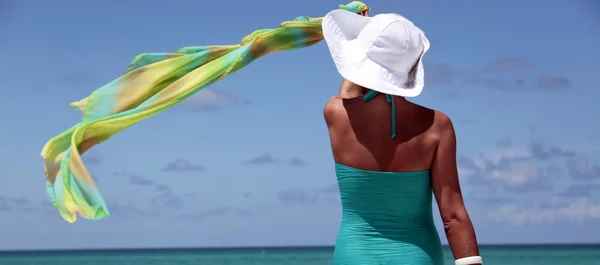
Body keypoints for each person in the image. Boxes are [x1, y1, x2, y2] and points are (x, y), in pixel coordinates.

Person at [321, 9, 482, 265]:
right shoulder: (437, 126)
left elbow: (350, 89)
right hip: (417, 257)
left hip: (354, 257)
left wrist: (363, 34)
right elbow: (453, 215)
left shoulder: (336, 113)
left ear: (361, 61)